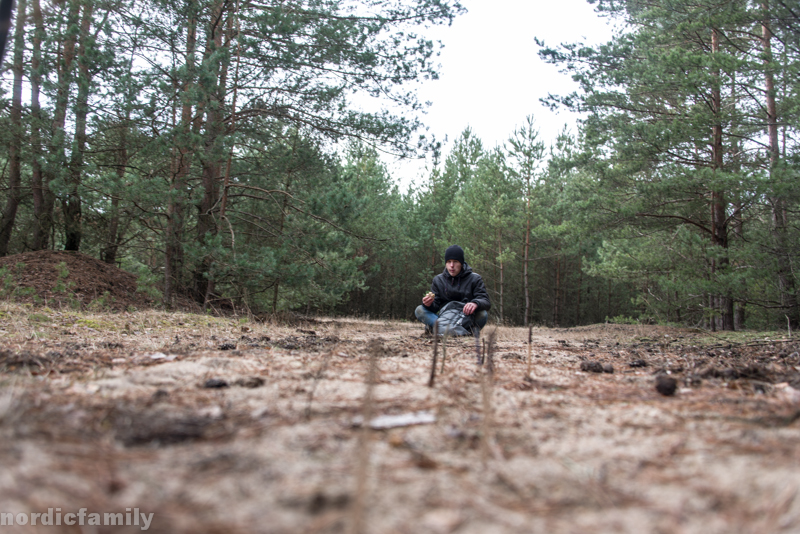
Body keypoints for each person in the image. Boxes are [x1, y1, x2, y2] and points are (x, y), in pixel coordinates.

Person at [415, 245, 490, 334]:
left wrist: (475, 303)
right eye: (449, 262)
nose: (451, 265)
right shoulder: (438, 280)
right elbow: (435, 307)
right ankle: (462, 331)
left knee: (482, 314)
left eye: (455, 262)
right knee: (420, 310)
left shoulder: (475, 278)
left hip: (466, 318)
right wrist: (428, 304)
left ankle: (439, 329)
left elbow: (485, 301)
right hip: (445, 317)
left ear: (461, 263)